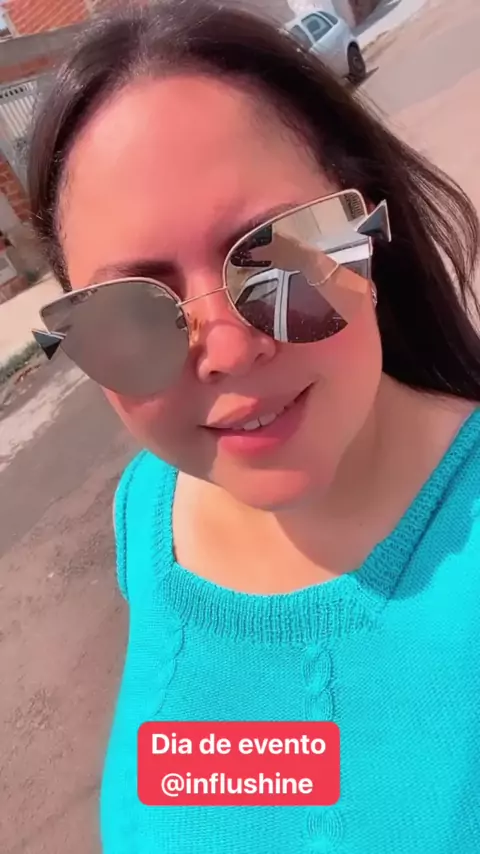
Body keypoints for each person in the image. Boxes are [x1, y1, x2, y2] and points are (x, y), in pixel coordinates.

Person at [27, 1, 480, 852]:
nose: (229, 352)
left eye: (279, 255)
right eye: (131, 312)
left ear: (366, 232)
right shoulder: (150, 515)